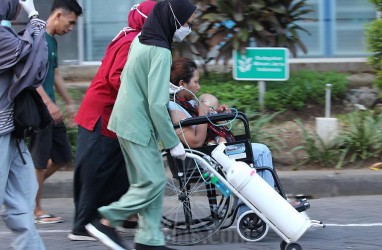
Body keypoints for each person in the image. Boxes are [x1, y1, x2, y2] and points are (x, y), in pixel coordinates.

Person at [85, 0, 197, 249]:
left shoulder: (142, 40)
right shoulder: (161, 51)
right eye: (187, 23)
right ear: (174, 20)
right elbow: (157, 106)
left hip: (126, 120)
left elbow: (132, 76)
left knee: (145, 182)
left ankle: (149, 240)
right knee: (154, 182)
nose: (189, 28)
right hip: (138, 124)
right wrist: (172, 142)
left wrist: (163, 87)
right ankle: (106, 220)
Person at [69, 1, 156, 241]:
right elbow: (117, 78)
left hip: (114, 116)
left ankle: (120, 217)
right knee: (95, 173)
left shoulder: (136, 39)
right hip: (102, 115)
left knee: (119, 171)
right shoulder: (131, 42)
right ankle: (83, 225)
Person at [168, 58, 275, 187]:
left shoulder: (188, 103)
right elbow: (195, 142)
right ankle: (265, 204)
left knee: (255, 152)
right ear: (182, 84)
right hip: (206, 156)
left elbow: (204, 122)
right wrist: (203, 113)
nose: (198, 86)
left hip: (212, 152)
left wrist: (217, 114)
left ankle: (253, 204)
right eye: (195, 82)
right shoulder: (174, 108)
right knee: (261, 151)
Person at [28, 0, 83, 224]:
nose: (70, 29)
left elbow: (56, 73)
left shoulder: (53, 42)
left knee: (62, 157)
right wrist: (48, 104)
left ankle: (26, 191)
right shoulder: (37, 39)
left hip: (52, 107)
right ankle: (34, 210)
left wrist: (68, 102)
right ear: (58, 15)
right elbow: (30, 76)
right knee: (39, 161)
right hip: (40, 109)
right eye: (70, 23)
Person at [0, 0, 48, 248]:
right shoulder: (3, 38)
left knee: (23, 199)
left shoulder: (6, 34)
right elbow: (33, 58)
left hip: (10, 132)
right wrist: (34, 15)